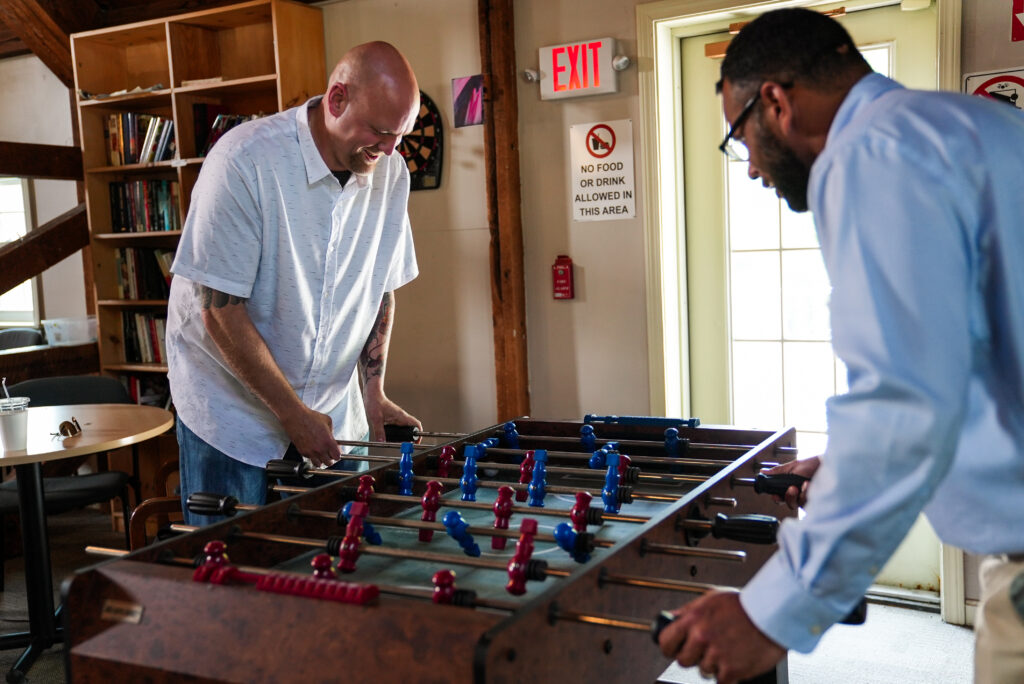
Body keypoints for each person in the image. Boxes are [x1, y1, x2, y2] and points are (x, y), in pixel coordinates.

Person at [658, 9, 1024, 684]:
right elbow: (973, 365)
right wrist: (844, 463)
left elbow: (902, 403)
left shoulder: (869, 156)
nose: (751, 169)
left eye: (739, 137)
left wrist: (775, 612)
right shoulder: (974, 126)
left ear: (776, 103)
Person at [166, 41, 423, 525]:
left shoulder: (391, 172)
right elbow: (219, 307)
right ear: (337, 99)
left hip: (333, 415)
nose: (391, 149)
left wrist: (373, 393)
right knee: (230, 565)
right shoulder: (244, 160)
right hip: (231, 417)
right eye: (381, 131)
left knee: (331, 560)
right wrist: (291, 414)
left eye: (401, 135)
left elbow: (380, 286)